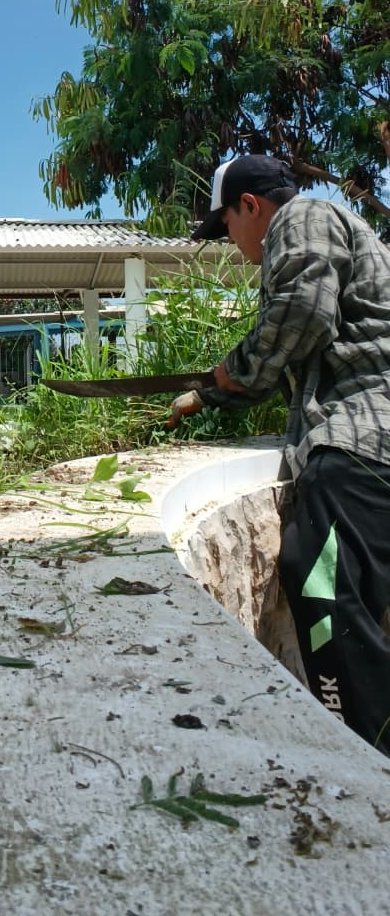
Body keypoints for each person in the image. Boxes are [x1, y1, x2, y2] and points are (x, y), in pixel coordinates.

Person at [172, 153, 390, 757]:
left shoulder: (301, 216)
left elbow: (301, 311)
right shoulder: (330, 226)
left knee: (321, 586)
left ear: (250, 205)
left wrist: (233, 368)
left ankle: (364, 755)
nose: (231, 243)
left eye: (225, 227)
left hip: (365, 438)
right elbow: (296, 346)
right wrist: (211, 393)